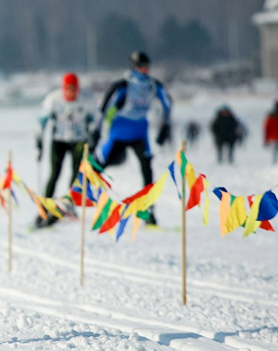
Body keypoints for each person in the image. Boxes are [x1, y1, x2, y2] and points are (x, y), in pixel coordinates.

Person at [89, 51, 173, 225]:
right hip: (119, 131)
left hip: (140, 132)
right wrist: (96, 131)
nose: (144, 69)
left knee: (147, 169)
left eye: (146, 66)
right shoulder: (123, 85)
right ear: (134, 67)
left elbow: (167, 104)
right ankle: (88, 200)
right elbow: (103, 106)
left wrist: (164, 126)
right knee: (98, 166)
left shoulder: (153, 85)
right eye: (141, 66)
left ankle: (148, 211)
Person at [33, 72, 95, 228]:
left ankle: (69, 206)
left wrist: (94, 137)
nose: (70, 92)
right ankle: (44, 208)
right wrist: (39, 144)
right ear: (63, 88)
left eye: (74, 89)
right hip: (58, 140)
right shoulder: (53, 100)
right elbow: (41, 122)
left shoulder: (86, 101)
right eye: (67, 89)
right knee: (54, 174)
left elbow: (96, 120)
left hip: (79, 141)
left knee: (76, 177)